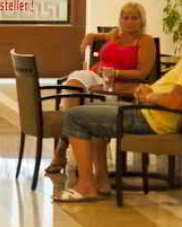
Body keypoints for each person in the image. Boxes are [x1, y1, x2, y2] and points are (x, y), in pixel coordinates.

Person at [46, 2, 156, 174]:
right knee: (74, 83)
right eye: (125, 18)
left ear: (141, 21)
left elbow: (143, 73)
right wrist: (90, 36)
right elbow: (97, 36)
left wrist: (115, 72)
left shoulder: (145, 41)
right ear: (120, 19)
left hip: (118, 87)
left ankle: (63, 151)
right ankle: (75, 151)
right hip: (95, 78)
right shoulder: (115, 34)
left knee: (81, 104)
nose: (129, 22)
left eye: (134, 18)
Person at [54, 60, 182, 202]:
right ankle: (101, 182)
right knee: (93, 111)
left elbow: (176, 101)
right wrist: (147, 91)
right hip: (147, 111)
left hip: (150, 117)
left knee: (74, 116)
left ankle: (86, 187)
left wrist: (148, 96)